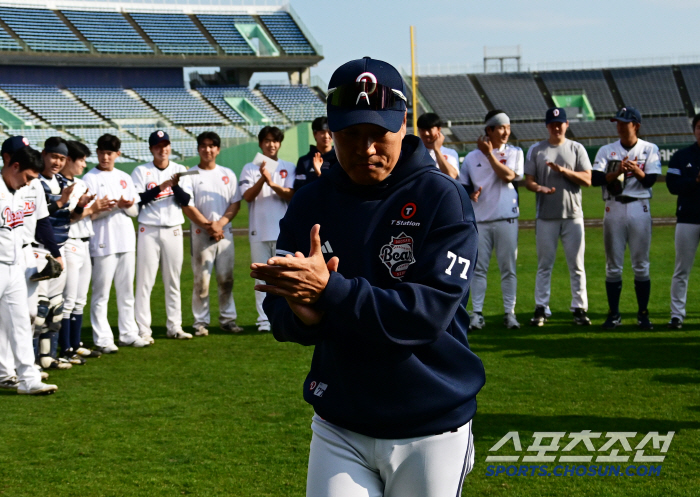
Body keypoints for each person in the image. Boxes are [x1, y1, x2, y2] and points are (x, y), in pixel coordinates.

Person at [252, 57, 485, 497]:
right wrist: (305, 316)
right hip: (340, 421)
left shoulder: (443, 198)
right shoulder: (310, 202)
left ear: (402, 127)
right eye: (350, 135)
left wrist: (330, 292)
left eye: (379, 134)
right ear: (331, 134)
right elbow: (279, 310)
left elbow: (424, 315)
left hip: (430, 421)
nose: (366, 149)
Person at [591, 107, 661, 330]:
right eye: (617, 122)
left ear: (636, 125)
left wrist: (635, 170)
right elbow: (595, 179)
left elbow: (650, 180)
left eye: (624, 122)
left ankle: (643, 314)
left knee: (641, 265)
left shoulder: (649, 149)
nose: (620, 126)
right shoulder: (606, 150)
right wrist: (616, 171)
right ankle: (614, 314)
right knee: (613, 266)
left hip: (639, 206)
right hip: (614, 207)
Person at [524, 107, 592, 326]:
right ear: (547, 125)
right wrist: (540, 189)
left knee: (577, 265)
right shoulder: (537, 149)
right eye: (552, 123)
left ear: (566, 124)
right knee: (545, 264)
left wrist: (564, 172)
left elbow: (587, 179)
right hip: (546, 215)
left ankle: (579, 308)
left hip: (573, 215)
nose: (556, 127)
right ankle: (541, 308)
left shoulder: (576, 148)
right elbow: (529, 180)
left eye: (560, 123)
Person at [83, 134, 150, 353]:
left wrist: (125, 205)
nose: (105, 157)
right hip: (103, 240)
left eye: (109, 153)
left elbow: (133, 211)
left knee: (126, 291)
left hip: (126, 240)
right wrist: (114, 206)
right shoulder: (90, 178)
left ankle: (128, 334)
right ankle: (102, 338)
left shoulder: (124, 177)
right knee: (101, 293)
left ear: (117, 154)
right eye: (101, 152)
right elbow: (90, 214)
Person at [0, 146, 58, 394]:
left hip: (13, 266)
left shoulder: (18, 192)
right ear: (14, 166)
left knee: (22, 322)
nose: (28, 184)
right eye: (28, 177)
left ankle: (28, 379)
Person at [460, 110, 523, 330]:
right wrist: (470, 193)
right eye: (501, 127)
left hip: (507, 219)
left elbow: (509, 176)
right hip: (481, 221)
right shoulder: (470, 158)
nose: (506, 132)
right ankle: (476, 314)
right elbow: (463, 184)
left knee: (509, 269)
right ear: (489, 130)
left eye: (508, 127)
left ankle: (510, 313)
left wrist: (489, 155)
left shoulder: (515, 153)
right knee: (478, 269)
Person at [131, 130, 193, 342]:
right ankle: (143, 330)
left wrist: (174, 186)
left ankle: (175, 326)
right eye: (158, 146)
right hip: (148, 229)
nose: (162, 149)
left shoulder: (178, 169)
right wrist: (162, 186)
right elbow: (138, 199)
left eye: (165, 145)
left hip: (174, 228)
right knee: (144, 282)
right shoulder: (141, 171)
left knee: (173, 280)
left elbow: (185, 200)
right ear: (151, 149)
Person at [185, 131, 243, 336]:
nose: (207, 149)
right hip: (201, 234)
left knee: (226, 279)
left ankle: (228, 319)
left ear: (218, 149)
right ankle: (200, 322)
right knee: (202, 280)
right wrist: (209, 225)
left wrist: (221, 224)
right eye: (203, 145)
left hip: (224, 233)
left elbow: (235, 203)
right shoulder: (190, 174)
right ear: (198, 148)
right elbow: (187, 205)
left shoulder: (227, 174)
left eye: (212, 146)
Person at [239, 126, 295, 332]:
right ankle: (263, 320)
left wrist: (270, 181)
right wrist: (263, 177)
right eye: (267, 141)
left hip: (283, 231)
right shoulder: (249, 168)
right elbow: (247, 196)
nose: (271, 145)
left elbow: (290, 195)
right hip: (258, 231)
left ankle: (285, 317)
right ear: (260, 143)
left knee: (284, 278)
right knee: (261, 276)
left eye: (275, 141)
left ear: (279, 143)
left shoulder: (288, 166)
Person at [60, 141, 108, 360]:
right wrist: (91, 209)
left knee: (80, 299)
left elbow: (87, 214)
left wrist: (99, 209)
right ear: (68, 160)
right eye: (80, 160)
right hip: (68, 242)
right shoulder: (58, 184)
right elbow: (70, 217)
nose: (83, 164)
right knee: (68, 299)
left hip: (84, 241)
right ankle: (66, 347)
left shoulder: (80, 184)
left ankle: (76, 343)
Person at [35, 137, 77, 369]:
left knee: (55, 309)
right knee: (38, 311)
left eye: (61, 158)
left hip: (59, 248)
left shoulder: (62, 181)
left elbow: (64, 216)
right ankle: (31, 362)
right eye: (53, 156)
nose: (57, 162)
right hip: (39, 249)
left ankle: (47, 357)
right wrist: (61, 202)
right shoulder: (35, 182)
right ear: (43, 155)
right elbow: (39, 216)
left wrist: (78, 206)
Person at [666, 113, 700, 329]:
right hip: (687, 218)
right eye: (699, 127)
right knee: (681, 270)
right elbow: (672, 185)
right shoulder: (681, 155)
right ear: (694, 130)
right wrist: (695, 180)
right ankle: (677, 315)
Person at [293, 116, 336, 191]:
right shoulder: (304, 161)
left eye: (329, 132)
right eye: (322, 132)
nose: (326, 136)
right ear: (314, 134)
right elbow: (299, 189)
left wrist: (320, 174)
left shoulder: (339, 159)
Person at [416, 112, 460, 179]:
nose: (426, 133)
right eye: (422, 130)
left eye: (429, 129)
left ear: (439, 129)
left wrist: (437, 150)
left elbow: (452, 176)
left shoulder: (450, 153)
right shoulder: (415, 153)